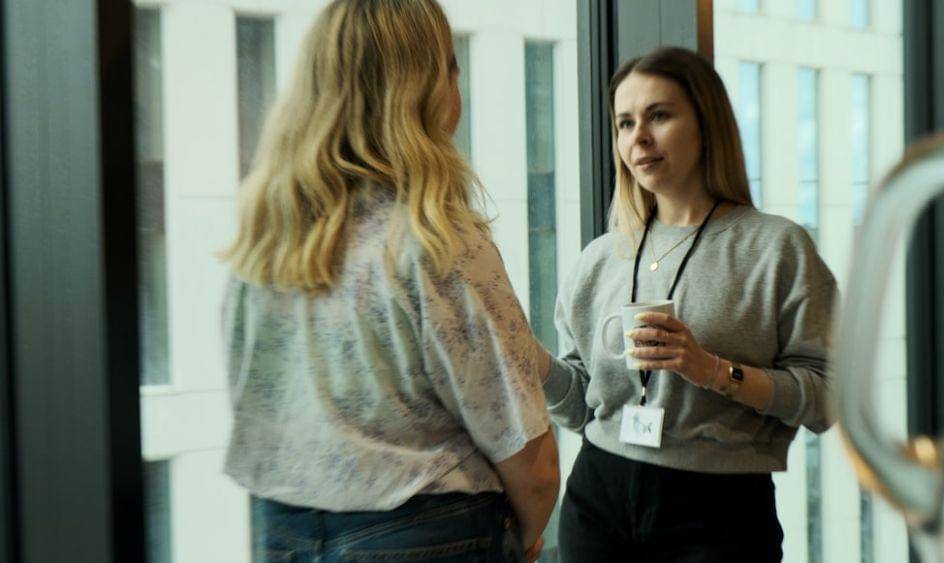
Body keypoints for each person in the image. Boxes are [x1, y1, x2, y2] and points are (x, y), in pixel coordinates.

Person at [220, 1, 558, 561]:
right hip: (428, 531)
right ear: (428, 90)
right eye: (452, 69)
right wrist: (522, 539)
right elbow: (529, 458)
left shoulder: (265, 241)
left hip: (283, 531)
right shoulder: (437, 238)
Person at [542, 46, 838, 562]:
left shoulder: (776, 248)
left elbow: (829, 398)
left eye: (658, 115)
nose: (638, 137)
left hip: (717, 510)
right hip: (598, 495)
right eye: (625, 123)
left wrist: (712, 370)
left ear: (707, 125)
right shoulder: (600, 258)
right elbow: (579, 405)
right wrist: (528, 359)